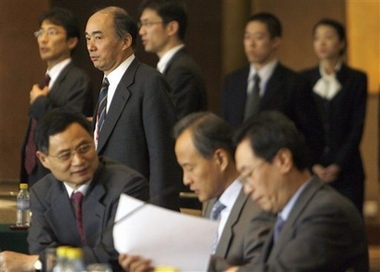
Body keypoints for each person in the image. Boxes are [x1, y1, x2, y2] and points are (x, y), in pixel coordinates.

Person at [118, 112, 274, 272]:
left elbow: (259, 269)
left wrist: (185, 258)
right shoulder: (213, 201)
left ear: (220, 159)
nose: (186, 180)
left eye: (190, 168)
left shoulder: (260, 206)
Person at [1, 108, 149, 272]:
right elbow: (40, 249)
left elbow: (112, 255)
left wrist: (37, 263)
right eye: (65, 155)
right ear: (44, 159)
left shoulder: (128, 185)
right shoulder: (41, 192)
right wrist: (43, 260)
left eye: (84, 148)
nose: (78, 161)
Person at [233, 110, 369, 271]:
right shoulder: (280, 210)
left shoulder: (329, 212)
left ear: (283, 161)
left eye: (249, 175)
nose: (247, 189)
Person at [85, 6, 181, 210]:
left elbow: (163, 159)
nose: (91, 46)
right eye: (87, 38)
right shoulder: (106, 86)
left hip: (138, 211)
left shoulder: (149, 83)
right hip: (104, 208)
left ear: (125, 41)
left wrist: (159, 215)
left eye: (98, 38)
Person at [221, 12, 323, 163]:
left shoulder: (295, 83)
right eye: (247, 37)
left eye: (259, 37)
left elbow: (311, 135)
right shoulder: (232, 81)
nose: (251, 44)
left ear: (275, 42)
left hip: (275, 167)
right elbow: (226, 127)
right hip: (237, 166)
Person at [21, 7, 94, 188]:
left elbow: (67, 128)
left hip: (60, 176)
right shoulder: (46, 81)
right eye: (41, 32)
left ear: (71, 41)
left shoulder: (78, 79)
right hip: (35, 172)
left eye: (52, 32)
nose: (43, 39)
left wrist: (39, 102)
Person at [301, 18, 367, 214]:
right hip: (313, 171)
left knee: (350, 228)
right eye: (317, 38)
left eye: (328, 38)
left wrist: (338, 164)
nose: (321, 43)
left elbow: (357, 126)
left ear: (341, 43)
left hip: (348, 171)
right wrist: (313, 164)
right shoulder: (304, 79)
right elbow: (301, 126)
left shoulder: (356, 79)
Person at [138, 0, 207, 120]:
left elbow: (175, 124)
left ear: (171, 28)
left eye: (147, 24)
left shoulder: (182, 71)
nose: (141, 31)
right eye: (141, 24)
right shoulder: (171, 66)